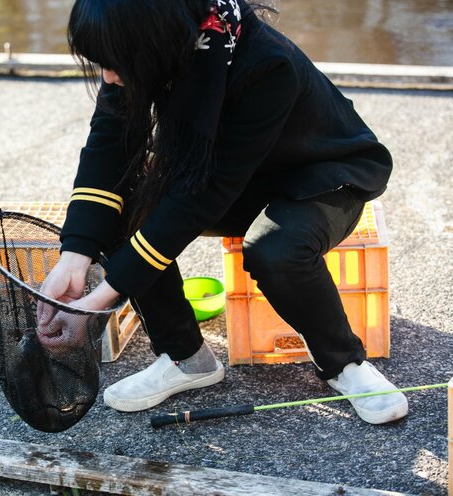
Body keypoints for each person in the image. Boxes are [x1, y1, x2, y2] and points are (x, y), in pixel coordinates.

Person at [40, 0, 408, 425]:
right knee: (118, 210)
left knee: (275, 250)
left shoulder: (266, 64)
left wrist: (102, 296)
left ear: (158, 41)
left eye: (114, 64)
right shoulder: (144, 50)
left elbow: (203, 197)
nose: (108, 76)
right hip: (232, 176)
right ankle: (185, 358)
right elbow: (107, 149)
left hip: (319, 174)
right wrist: (75, 254)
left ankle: (346, 364)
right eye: (101, 63)